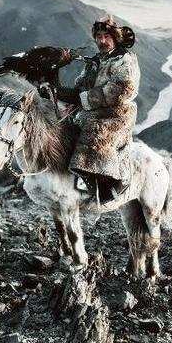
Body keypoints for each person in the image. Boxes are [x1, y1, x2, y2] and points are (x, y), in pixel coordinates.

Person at [40, 14, 140, 205]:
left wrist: (83, 98)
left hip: (117, 113)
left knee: (94, 133)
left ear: (115, 37)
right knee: (61, 128)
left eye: (106, 37)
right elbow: (80, 87)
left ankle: (108, 186)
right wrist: (57, 92)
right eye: (99, 37)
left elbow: (122, 89)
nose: (102, 41)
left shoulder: (125, 60)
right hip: (92, 110)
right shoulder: (95, 61)